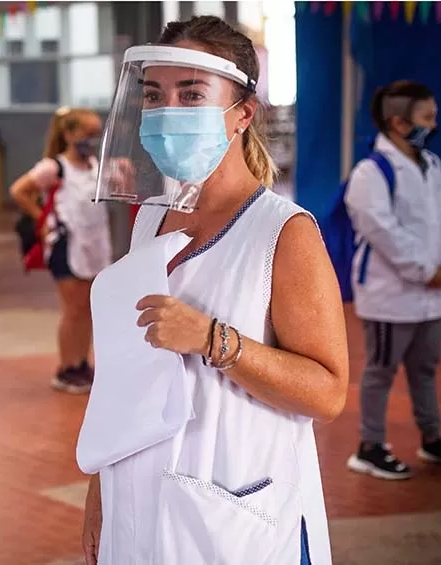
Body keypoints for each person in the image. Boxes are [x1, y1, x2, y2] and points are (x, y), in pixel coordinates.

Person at [79, 17, 348, 564]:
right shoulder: (150, 219)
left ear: (242, 114)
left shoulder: (282, 232)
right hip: (136, 488)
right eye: (155, 95)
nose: (166, 111)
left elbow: (327, 393)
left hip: (236, 505)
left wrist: (212, 339)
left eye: (192, 93)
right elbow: (130, 373)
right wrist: (101, 482)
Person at [343, 80, 441, 480]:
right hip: (391, 295)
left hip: (434, 294)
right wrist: (426, 271)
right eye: (427, 118)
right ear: (398, 123)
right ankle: (370, 446)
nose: (434, 125)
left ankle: (432, 438)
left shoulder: (430, 164)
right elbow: (382, 231)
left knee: (425, 369)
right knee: (381, 371)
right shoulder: (370, 172)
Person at [9, 107, 113, 394]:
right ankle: (66, 368)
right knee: (73, 308)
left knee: (88, 308)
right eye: (86, 133)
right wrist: (41, 217)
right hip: (67, 245)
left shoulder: (94, 164)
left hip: (94, 244)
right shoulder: (54, 167)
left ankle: (82, 363)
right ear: (69, 134)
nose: (92, 139)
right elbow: (18, 190)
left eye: (96, 133)